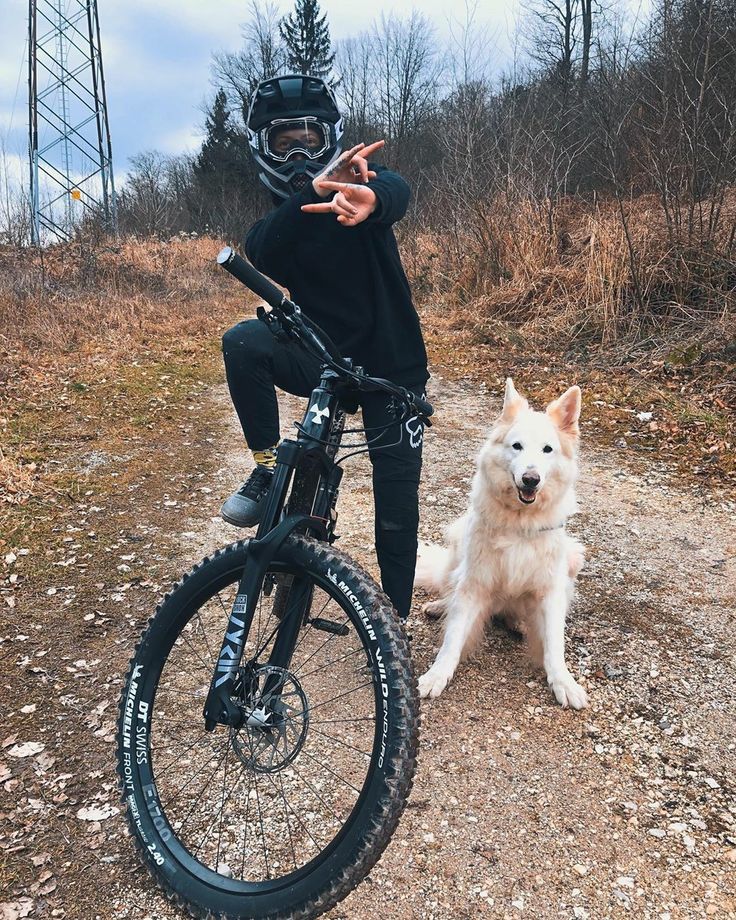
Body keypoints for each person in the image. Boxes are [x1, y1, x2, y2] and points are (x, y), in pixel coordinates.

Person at [220, 74, 429, 620]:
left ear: (330, 139)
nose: (296, 152)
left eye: (308, 140)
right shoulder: (281, 221)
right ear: (261, 147)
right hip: (323, 358)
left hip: (392, 364)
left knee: (396, 506)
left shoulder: (361, 182)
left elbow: (396, 191)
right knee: (243, 341)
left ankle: (394, 620)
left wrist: (368, 197)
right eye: (282, 141)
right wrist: (310, 192)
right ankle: (269, 468)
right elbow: (262, 248)